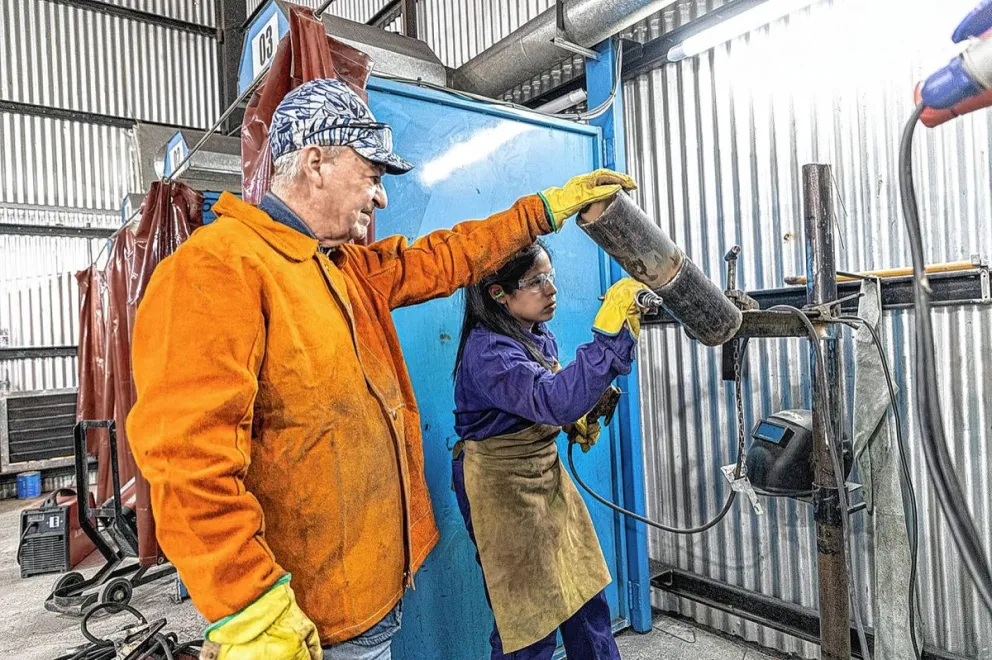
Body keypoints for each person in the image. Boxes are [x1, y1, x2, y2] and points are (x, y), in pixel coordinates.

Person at [126, 77, 637, 660]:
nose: (382, 198)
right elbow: (185, 459)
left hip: (372, 596)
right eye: (371, 176)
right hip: (303, 620)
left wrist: (540, 211)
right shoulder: (217, 269)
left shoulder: (341, 267)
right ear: (316, 163)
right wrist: (250, 606)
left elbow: (445, 257)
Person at [451, 234, 650, 659]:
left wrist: (580, 415)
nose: (552, 290)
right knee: (528, 621)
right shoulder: (487, 352)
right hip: (500, 488)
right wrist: (607, 339)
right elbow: (552, 399)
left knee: (583, 595)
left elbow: (552, 390)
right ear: (498, 294)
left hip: (543, 473)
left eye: (551, 276)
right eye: (536, 281)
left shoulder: (534, 330)